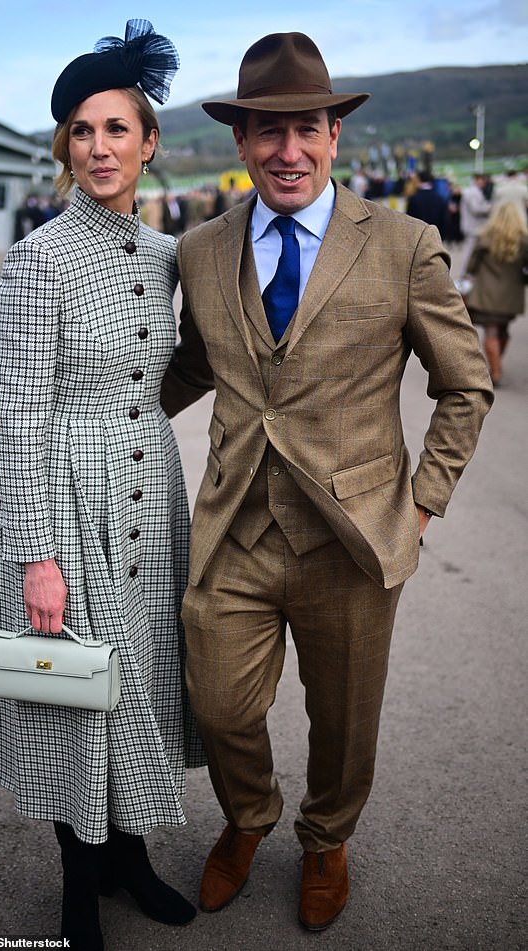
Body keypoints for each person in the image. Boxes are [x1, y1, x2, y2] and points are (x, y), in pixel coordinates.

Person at [160, 31, 493, 932]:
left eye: (305, 129)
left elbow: (465, 381)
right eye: (267, 133)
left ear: (334, 136)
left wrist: (423, 502)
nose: (288, 151)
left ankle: (326, 837)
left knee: (345, 723)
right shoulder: (198, 249)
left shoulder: (403, 243)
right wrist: (101, 408)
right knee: (218, 701)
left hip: (354, 534)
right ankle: (249, 816)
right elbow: (192, 366)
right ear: (240, 143)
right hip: (234, 527)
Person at [0, 20, 204, 950]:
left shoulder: (162, 258)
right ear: (63, 146)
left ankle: (129, 858)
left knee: (142, 679)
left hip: (152, 493)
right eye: (82, 130)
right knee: (79, 691)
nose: (100, 147)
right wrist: (38, 551)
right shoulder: (38, 258)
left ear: (150, 144)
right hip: (67, 500)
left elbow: (167, 374)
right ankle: (80, 883)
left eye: (118, 129)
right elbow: (18, 416)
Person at [465, 201, 528, 385]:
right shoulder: (523, 240)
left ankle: (496, 370)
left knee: (491, 329)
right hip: (512, 295)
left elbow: (472, 265)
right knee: (503, 329)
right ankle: (497, 364)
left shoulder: (485, 237)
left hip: (487, 293)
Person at [459, 172, 492, 276]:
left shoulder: (474, 191)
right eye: (482, 180)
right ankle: (466, 274)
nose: (484, 182)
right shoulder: (471, 192)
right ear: (476, 180)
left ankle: (468, 273)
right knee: (469, 251)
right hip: (472, 227)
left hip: (473, 227)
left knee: (471, 250)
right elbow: (476, 209)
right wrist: (490, 207)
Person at [406, 170, 448, 238]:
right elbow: (444, 219)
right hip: (436, 236)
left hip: (419, 237)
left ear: (419, 180)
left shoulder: (414, 199)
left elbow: (410, 220)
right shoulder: (439, 198)